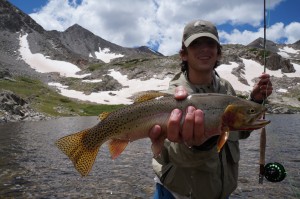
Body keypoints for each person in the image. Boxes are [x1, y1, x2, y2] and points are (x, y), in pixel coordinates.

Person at [149, 19, 273, 199]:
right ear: (183, 54)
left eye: (210, 43)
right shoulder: (172, 98)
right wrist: (199, 146)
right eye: (195, 44)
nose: (204, 49)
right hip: (176, 194)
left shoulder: (226, 89)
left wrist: (254, 101)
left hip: (221, 193)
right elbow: (170, 156)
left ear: (218, 53)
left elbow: (237, 132)